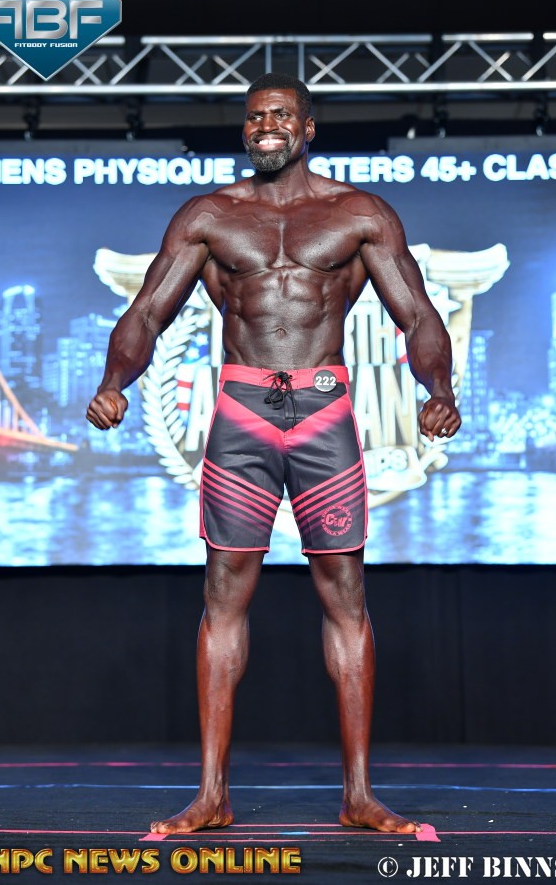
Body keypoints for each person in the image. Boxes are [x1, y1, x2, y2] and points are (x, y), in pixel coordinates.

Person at [86, 72, 461, 835]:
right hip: (242, 414)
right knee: (224, 594)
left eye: (281, 115)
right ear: (245, 128)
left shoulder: (359, 214)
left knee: (345, 594)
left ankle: (359, 796)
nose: (266, 126)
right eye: (256, 117)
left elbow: (417, 313)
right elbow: (149, 310)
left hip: (323, 413)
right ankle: (211, 795)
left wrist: (440, 389)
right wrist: (114, 382)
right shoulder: (209, 216)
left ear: (307, 127)